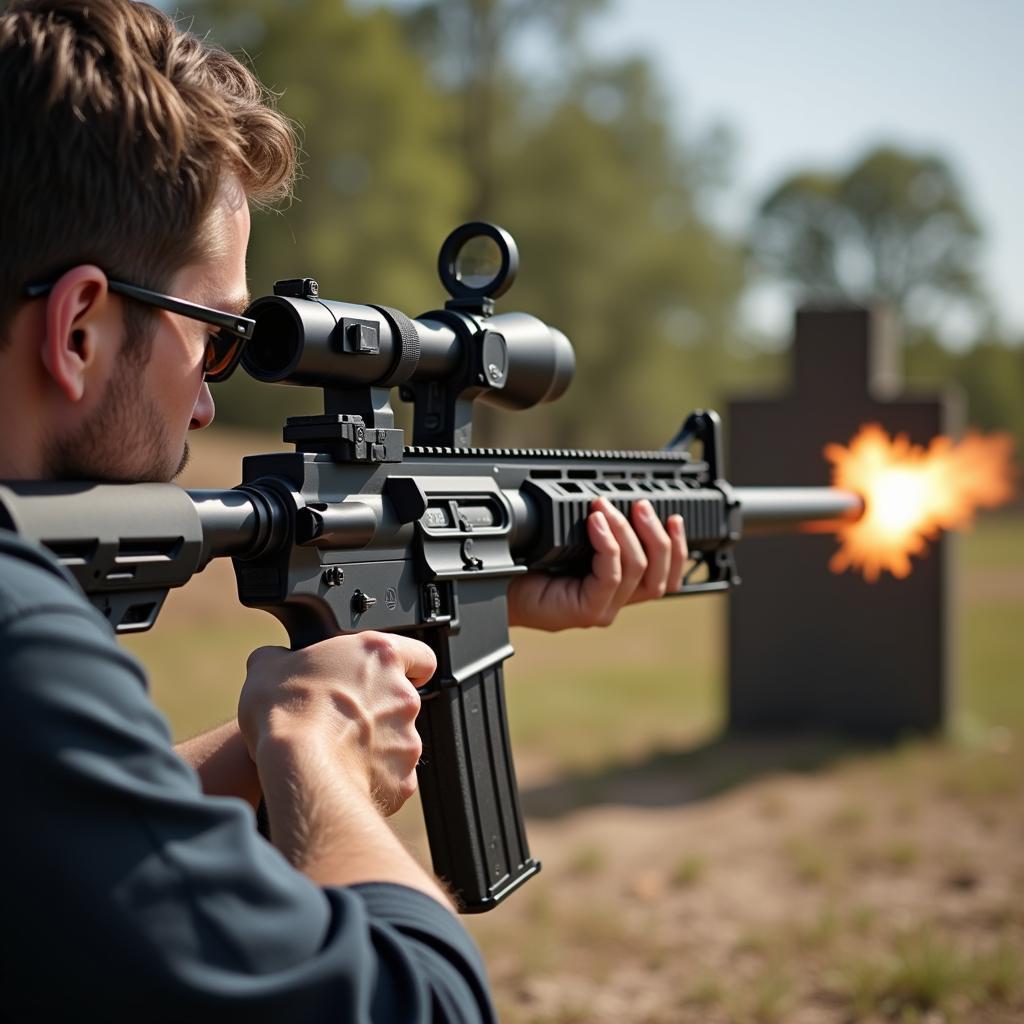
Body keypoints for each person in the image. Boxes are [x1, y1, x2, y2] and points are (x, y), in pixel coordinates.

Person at [0, 1, 689, 1020]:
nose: (206, 397)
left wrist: (288, 725)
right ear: (80, 332)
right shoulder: (23, 635)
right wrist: (316, 755)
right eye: (219, 335)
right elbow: (416, 1004)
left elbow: (60, 836)